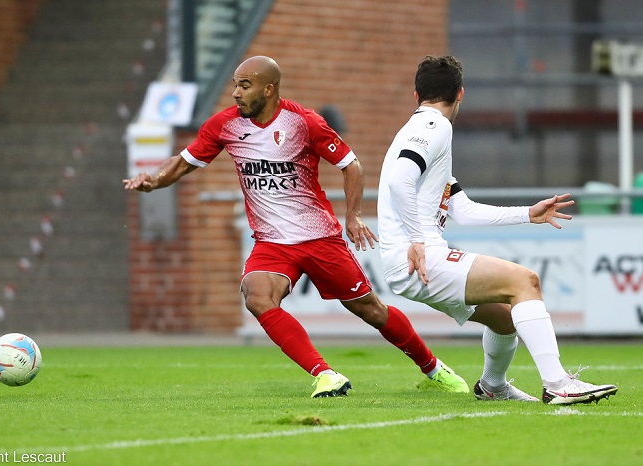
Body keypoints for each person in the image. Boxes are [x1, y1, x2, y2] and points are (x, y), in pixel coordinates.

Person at [124, 55, 469, 398]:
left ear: (268, 88)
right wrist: (153, 180)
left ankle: (434, 368)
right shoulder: (224, 125)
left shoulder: (304, 122)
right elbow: (183, 162)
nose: (236, 94)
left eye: (244, 86)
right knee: (257, 296)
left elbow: (351, 166)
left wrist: (352, 216)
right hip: (272, 242)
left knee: (371, 310)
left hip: (319, 238)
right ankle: (325, 374)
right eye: (235, 85)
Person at [377, 55, 618, 405]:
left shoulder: (420, 134)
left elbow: (465, 210)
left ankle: (492, 386)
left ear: (416, 95)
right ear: (461, 94)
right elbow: (401, 180)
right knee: (525, 282)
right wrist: (417, 238)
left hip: (412, 260)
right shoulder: (434, 127)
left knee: (506, 319)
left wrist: (528, 214)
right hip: (419, 256)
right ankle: (558, 383)